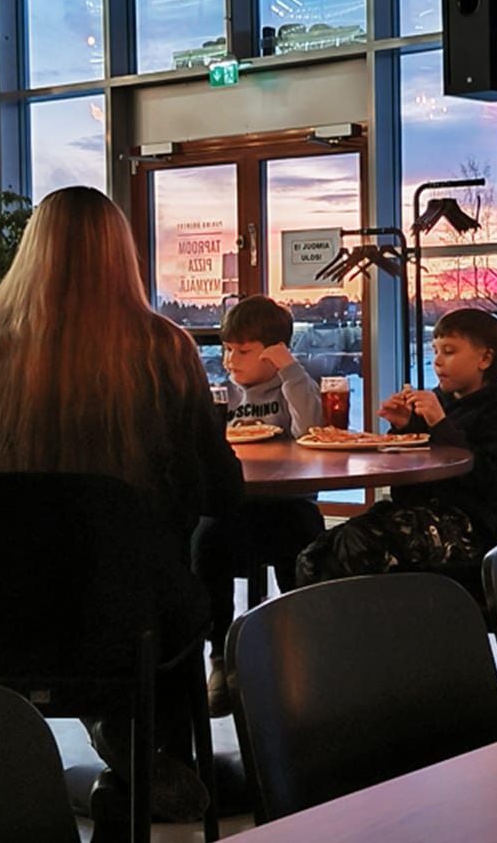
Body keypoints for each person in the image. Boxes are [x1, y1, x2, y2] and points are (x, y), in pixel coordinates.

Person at [0, 186, 241, 826]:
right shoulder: (163, 351)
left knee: (140, 579)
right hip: (126, 626)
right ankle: (149, 761)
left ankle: (124, 759)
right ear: (123, 257)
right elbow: (220, 495)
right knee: (169, 579)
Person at [295, 308, 497, 584]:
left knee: (354, 546)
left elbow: (488, 478)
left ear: (485, 358)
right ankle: (326, 625)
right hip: (418, 515)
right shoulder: (445, 402)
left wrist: (438, 423)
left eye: (449, 352)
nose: (437, 362)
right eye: (435, 351)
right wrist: (407, 426)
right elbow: (416, 475)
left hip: (467, 529)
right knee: (315, 554)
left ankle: (372, 623)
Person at [193, 295, 325, 714]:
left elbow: (310, 430)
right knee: (206, 539)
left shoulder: (294, 386)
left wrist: (290, 370)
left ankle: (301, 647)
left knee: (303, 538)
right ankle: (219, 653)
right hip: (235, 501)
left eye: (243, 351)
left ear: (273, 353)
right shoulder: (222, 396)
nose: (231, 360)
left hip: (287, 501)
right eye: (228, 349)